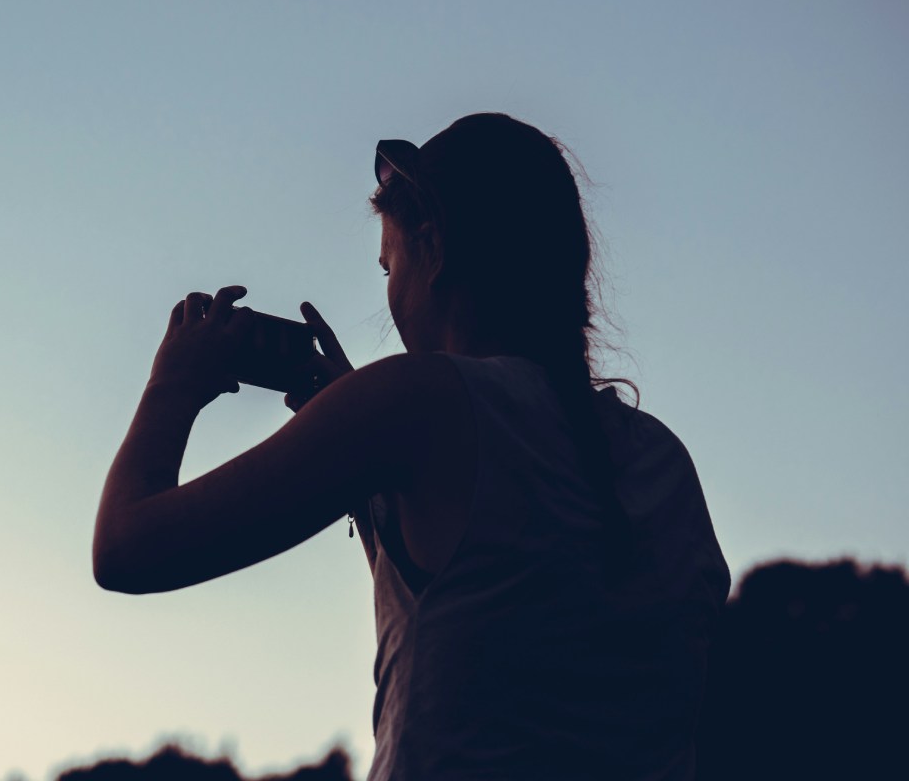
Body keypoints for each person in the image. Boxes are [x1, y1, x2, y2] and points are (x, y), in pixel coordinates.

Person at [93, 112, 731, 780]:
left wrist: (172, 384)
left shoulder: (418, 399)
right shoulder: (664, 462)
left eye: (388, 266)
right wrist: (369, 473)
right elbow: (477, 614)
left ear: (434, 244)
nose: (391, 294)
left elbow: (125, 549)